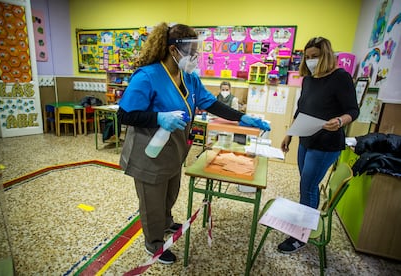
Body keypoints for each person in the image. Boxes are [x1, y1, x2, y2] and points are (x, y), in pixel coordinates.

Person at [116, 22, 270, 264]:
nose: (194, 57)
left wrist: (242, 118)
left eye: (197, 51)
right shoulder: (147, 76)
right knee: (152, 202)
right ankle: (153, 243)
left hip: (173, 151)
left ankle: (165, 224)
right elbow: (124, 114)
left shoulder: (188, 76)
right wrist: (158, 117)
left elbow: (211, 103)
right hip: (149, 152)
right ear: (173, 50)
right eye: (190, 51)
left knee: (169, 194)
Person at [278, 37, 360, 253]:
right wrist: (289, 134)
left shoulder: (340, 77)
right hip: (306, 138)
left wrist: (341, 121)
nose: (311, 61)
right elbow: (301, 109)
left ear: (327, 55)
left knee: (309, 187)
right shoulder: (308, 79)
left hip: (326, 144)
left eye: (315, 56)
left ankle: (300, 236)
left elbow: (353, 110)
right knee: (306, 186)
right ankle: (303, 223)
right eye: (308, 57)